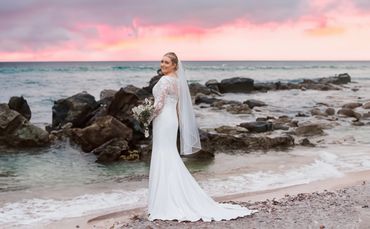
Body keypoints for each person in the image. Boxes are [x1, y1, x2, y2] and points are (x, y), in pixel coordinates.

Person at [147, 52, 257, 222]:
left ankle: (164, 201)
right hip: (171, 121)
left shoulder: (165, 81)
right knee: (169, 155)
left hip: (163, 120)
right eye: (161, 61)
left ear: (174, 65)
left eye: (166, 62)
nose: (162, 64)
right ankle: (170, 196)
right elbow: (176, 106)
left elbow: (159, 105)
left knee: (163, 155)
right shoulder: (178, 81)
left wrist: (145, 117)